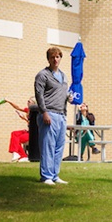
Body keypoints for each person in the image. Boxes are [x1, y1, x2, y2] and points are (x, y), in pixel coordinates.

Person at [34, 47, 72, 185]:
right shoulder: (42, 75)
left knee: (59, 146)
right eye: (52, 57)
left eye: (57, 57)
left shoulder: (63, 76)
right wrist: (44, 112)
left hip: (61, 114)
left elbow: (63, 92)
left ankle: (55, 175)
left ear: (60, 58)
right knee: (47, 146)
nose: (55, 60)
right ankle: (46, 176)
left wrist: (69, 97)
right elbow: (39, 95)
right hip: (49, 113)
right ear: (48, 59)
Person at [5, 97, 36, 162]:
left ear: (34, 103)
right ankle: (16, 153)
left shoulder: (36, 112)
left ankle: (23, 156)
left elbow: (35, 124)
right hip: (29, 131)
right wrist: (9, 101)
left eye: (29, 101)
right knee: (14, 133)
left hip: (34, 133)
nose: (27, 102)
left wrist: (24, 118)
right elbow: (18, 107)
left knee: (18, 138)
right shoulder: (28, 110)